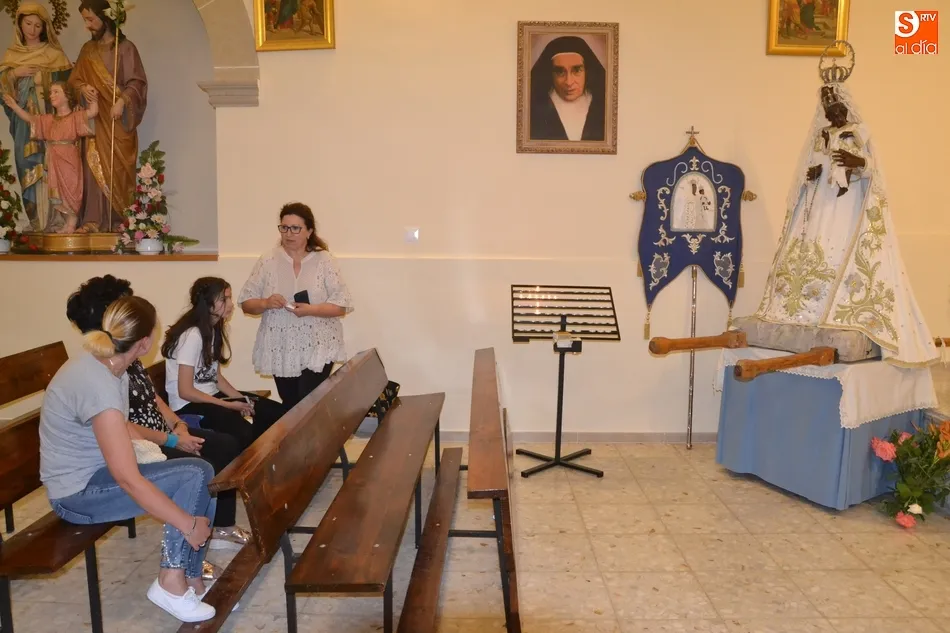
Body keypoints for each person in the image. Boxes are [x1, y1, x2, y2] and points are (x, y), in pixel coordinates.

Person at [40, 295, 216, 623]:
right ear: (145, 342)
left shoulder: (111, 369)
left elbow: (119, 429)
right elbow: (126, 478)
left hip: (97, 476)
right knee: (193, 477)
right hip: (76, 494)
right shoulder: (97, 381)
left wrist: (173, 439)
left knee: (202, 471)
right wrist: (187, 524)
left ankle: (191, 580)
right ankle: (171, 581)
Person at [753, 71, 938, 367]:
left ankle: (840, 312)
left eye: (835, 103)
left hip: (847, 209)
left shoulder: (859, 132)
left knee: (841, 253)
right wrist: (811, 176)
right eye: (826, 105)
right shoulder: (819, 137)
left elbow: (875, 171)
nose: (831, 110)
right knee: (815, 252)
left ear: (844, 103)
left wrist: (859, 163)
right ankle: (805, 311)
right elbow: (810, 168)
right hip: (821, 207)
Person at [65, 275, 251, 555]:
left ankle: (219, 527)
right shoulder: (104, 368)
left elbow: (153, 397)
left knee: (226, 445)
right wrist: (172, 441)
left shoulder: (127, 355)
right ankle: (187, 547)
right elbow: (125, 428)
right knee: (199, 468)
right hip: (141, 442)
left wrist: (178, 425)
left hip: (162, 431)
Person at [239, 202, 353, 411]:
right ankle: (308, 444)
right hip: (281, 345)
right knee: (291, 405)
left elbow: (341, 305)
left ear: (309, 231)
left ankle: (329, 444)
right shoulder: (268, 260)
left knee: (308, 402)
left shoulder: (324, 260)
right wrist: (265, 303)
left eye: (295, 228)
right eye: (284, 227)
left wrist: (311, 310)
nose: (289, 233)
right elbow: (246, 303)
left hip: (319, 343)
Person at [162, 277, 285, 451]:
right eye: (224, 299)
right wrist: (228, 405)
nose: (230, 304)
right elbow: (185, 391)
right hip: (188, 405)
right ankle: (246, 471)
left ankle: (266, 465)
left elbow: (216, 377)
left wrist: (241, 400)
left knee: (273, 413)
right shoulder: (192, 335)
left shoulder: (212, 330)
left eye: (229, 298)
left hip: (211, 397)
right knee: (244, 432)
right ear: (208, 304)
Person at [67, 0, 148, 234]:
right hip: (94, 119)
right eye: (85, 21)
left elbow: (137, 82)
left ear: (107, 19)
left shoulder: (125, 48)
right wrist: (83, 89)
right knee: (93, 169)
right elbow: (73, 81)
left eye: (91, 20)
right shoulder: (87, 50)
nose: (88, 26)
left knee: (118, 169)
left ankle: (119, 220)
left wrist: (122, 101)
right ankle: (92, 220)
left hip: (117, 122)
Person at [0, 2, 72, 232]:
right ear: (19, 24)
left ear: (45, 28)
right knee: (26, 164)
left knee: (53, 164)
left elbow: (69, 86)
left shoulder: (55, 54)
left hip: (51, 122)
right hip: (23, 123)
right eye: (28, 24)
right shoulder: (12, 56)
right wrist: (14, 74)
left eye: (37, 25)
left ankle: (56, 219)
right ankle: (35, 221)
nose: (32, 30)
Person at [3, 82, 97, 233]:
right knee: (58, 192)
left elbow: (92, 112)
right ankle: (67, 224)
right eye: (51, 92)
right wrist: (14, 106)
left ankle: (72, 224)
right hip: (54, 159)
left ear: (66, 96)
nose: (51, 95)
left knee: (71, 190)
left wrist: (93, 96)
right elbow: (30, 119)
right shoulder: (48, 119)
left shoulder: (75, 117)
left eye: (56, 92)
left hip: (69, 157)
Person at [529, 35, 606, 142]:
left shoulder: (605, 106)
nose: (568, 82)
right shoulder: (532, 109)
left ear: (587, 72)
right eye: (560, 72)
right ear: (550, 74)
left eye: (577, 70)